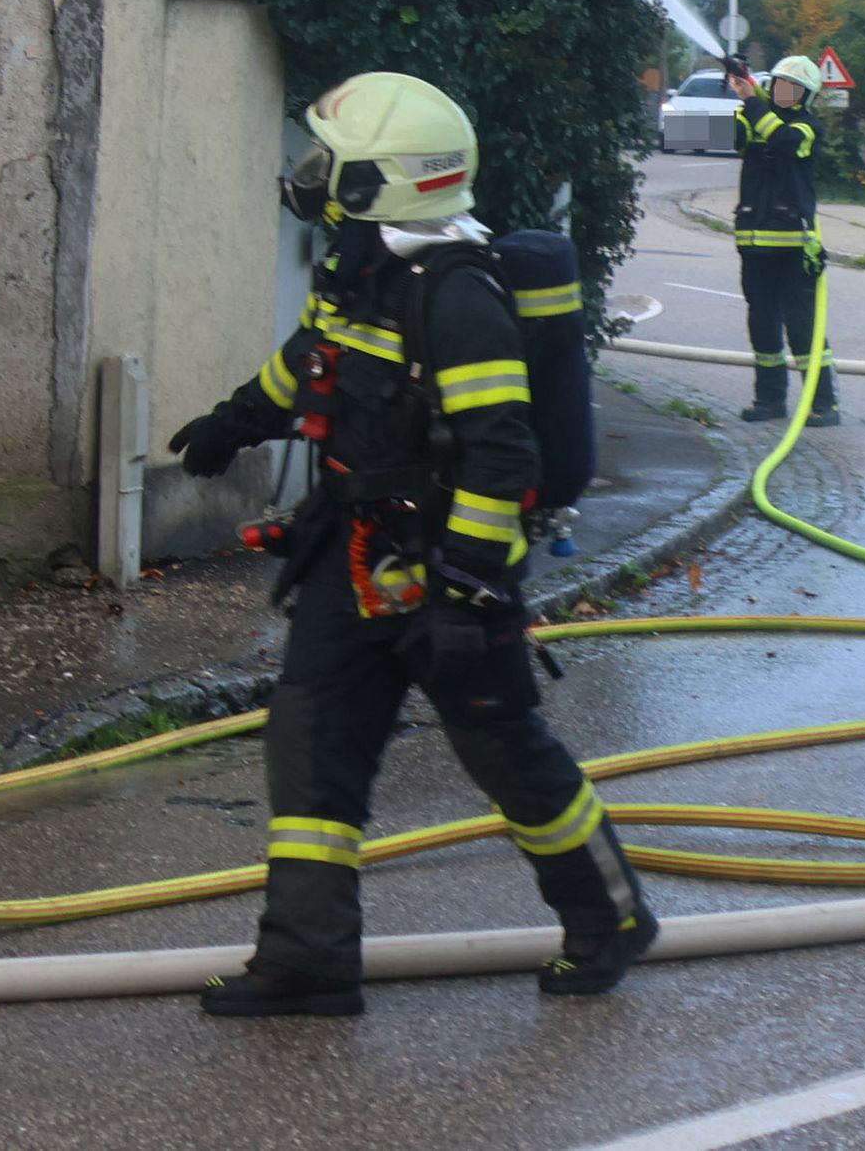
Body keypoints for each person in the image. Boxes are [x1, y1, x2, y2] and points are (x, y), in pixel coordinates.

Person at [165, 71, 657, 1016]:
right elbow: (312, 361)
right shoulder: (360, 271)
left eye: (328, 162)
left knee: (507, 753)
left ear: (381, 182)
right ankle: (308, 960)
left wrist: (466, 590)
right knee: (310, 742)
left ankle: (611, 915)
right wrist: (236, 420)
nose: (308, 176)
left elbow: (500, 452)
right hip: (353, 563)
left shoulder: (458, 294)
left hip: (445, 576)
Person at [731, 55, 837, 426]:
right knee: (761, 324)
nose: (783, 92)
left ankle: (823, 404)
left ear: (805, 97)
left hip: (794, 249)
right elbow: (722, 135)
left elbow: (782, 139)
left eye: (792, 89)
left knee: (803, 327)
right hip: (754, 247)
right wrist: (737, 87)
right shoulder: (754, 116)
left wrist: (752, 99)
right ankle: (769, 401)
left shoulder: (807, 129)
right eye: (778, 85)